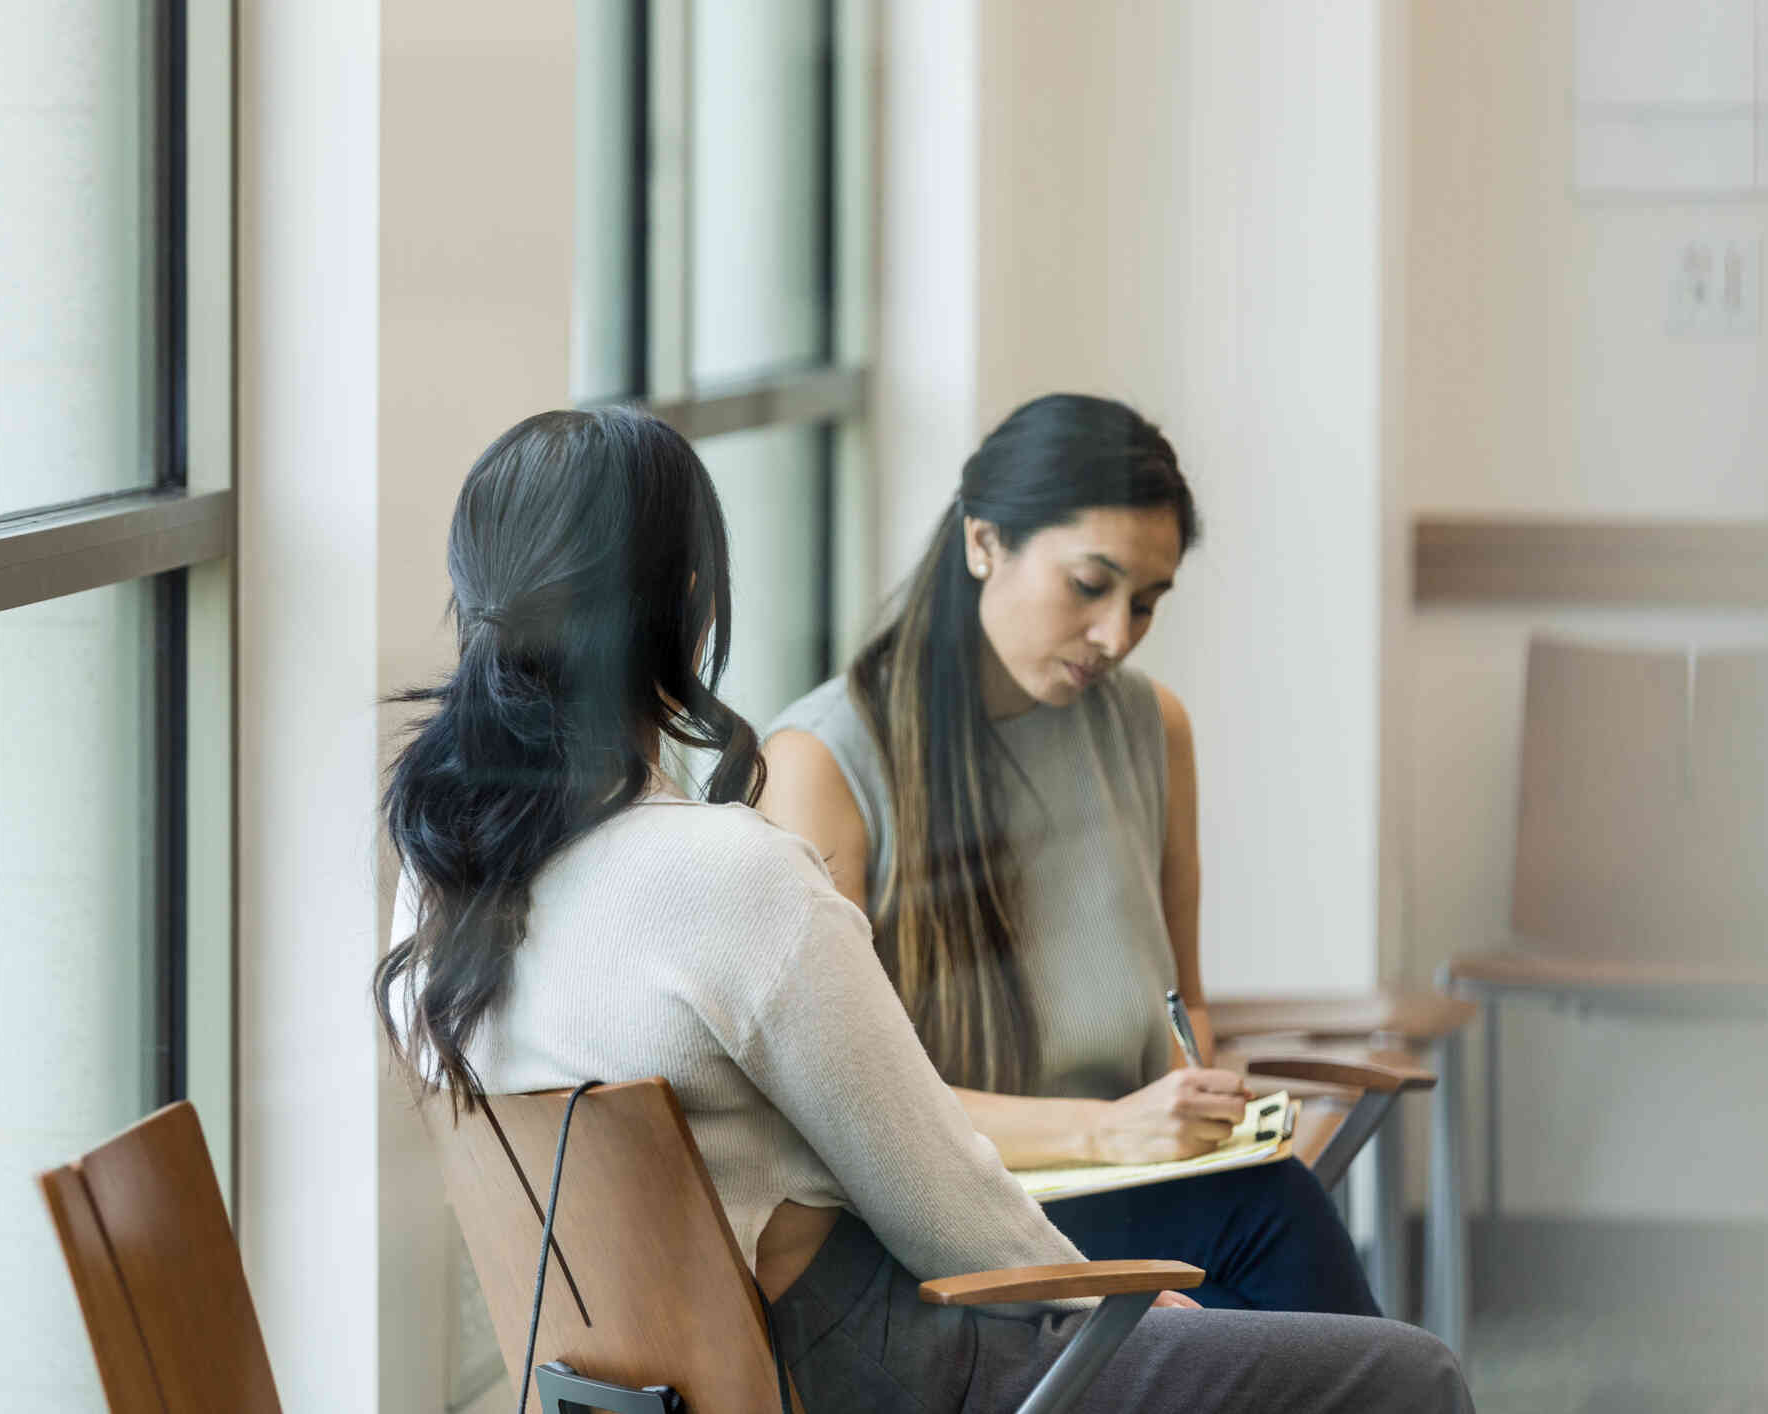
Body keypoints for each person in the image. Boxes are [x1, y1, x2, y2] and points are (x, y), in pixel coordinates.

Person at [375, 406, 1471, 1412]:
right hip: (889, 1365)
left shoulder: (437, 878)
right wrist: (1096, 1300)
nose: (1119, 631)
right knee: (1406, 1373)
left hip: (633, 1384)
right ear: (688, 605)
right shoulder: (733, 872)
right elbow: (938, 1201)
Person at [758, 392, 1377, 1314]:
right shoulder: (822, 765)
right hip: (936, 1231)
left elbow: (1185, 1004)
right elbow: (838, 1112)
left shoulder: (1148, 726)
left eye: (1146, 603)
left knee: (1301, 1297)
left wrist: (1192, 1104)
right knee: (1305, 1289)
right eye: (1090, 586)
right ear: (983, 543)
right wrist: (1106, 1134)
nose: (1115, 636)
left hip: (1128, 1194)